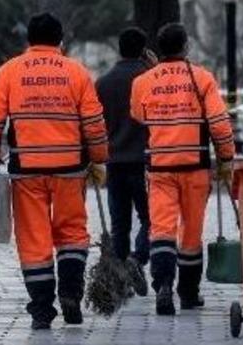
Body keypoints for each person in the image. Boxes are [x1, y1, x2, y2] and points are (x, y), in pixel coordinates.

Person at [0, 13, 109, 330]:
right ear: (60, 40)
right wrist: (99, 158)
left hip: (27, 172)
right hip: (69, 169)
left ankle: (41, 310)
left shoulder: (10, 71)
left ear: (29, 41)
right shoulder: (76, 72)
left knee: (34, 240)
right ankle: (71, 296)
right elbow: (93, 123)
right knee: (72, 234)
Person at [130, 23, 235, 316]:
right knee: (191, 232)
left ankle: (163, 284)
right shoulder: (201, 78)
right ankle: (188, 294)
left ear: (160, 48)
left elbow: (139, 115)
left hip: (160, 167)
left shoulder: (143, 81)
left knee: (161, 229)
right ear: (186, 47)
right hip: (194, 167)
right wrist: (226, 157)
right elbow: (218, 123)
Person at [95, 27, 154, 296]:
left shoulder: (103, 82)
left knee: (120, 224)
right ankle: (137, 258)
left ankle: (119, 280)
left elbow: (96, 124)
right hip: (144, 160)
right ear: (143, 49)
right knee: (153, 218)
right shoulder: (149, 78)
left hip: (114, 161)